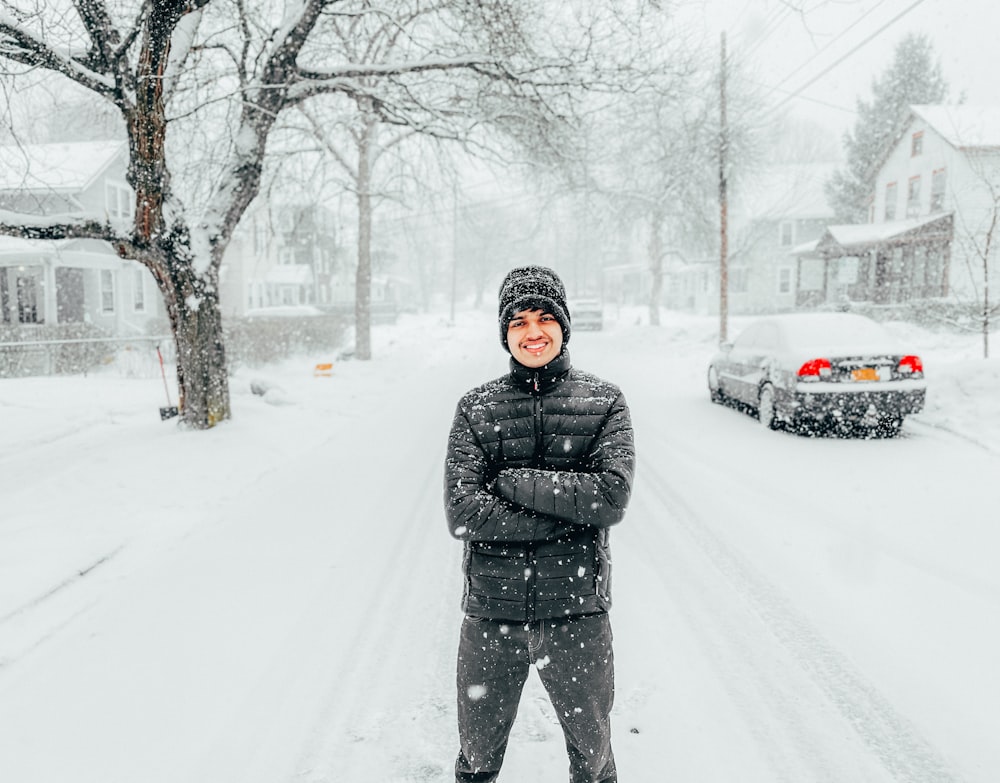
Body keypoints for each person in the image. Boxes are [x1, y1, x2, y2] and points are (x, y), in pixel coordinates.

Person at [444, 265, 636, 783]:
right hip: (491, 614)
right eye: (519, 320)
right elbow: (463, 515)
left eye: (545, 317)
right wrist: (565, 516)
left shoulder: (604, 403)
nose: (533, 331)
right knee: (477, 759)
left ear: (564, 325)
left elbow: (611, 498)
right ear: (505, 332)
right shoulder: (475, 409)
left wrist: (509, 482)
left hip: (577, 614)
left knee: (593, 759)